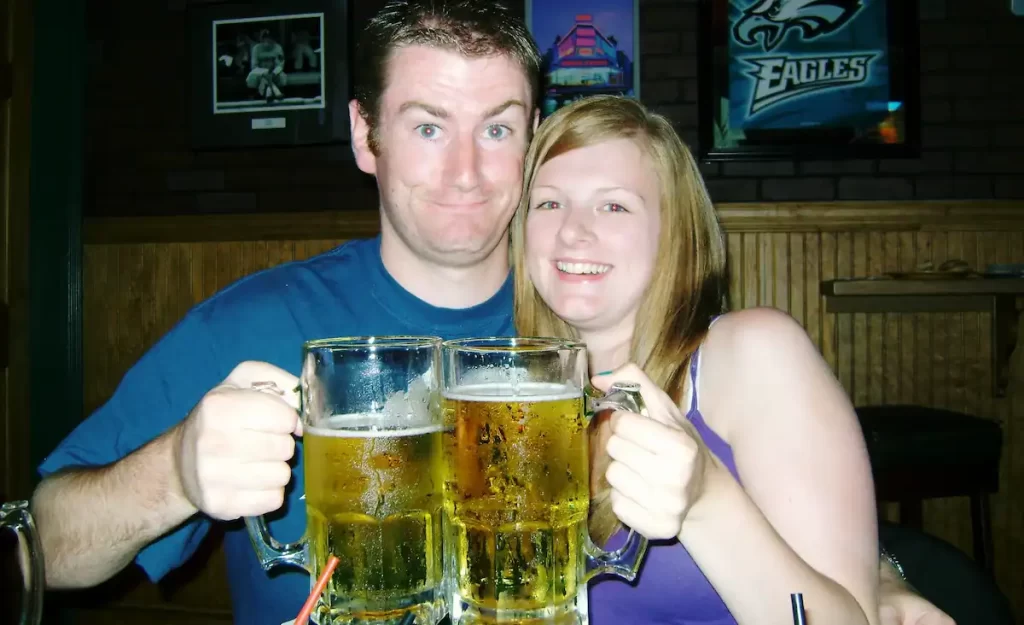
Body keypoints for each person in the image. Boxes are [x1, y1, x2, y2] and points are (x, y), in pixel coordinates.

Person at [29, 1, 952, 624]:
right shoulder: (258, 323)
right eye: (429, 126)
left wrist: (879, 572)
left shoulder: (572, 341)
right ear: (365, 136)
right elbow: (43, 550)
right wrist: (175, 473)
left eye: (499, 128)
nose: (468, 171)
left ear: (533, 138)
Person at [510, 94, 955, 625]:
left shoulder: (751, 354)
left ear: (673, 233)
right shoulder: (508, 391)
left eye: (614, 205)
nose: (572, 231)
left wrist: (704, 497)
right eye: (549, 202)